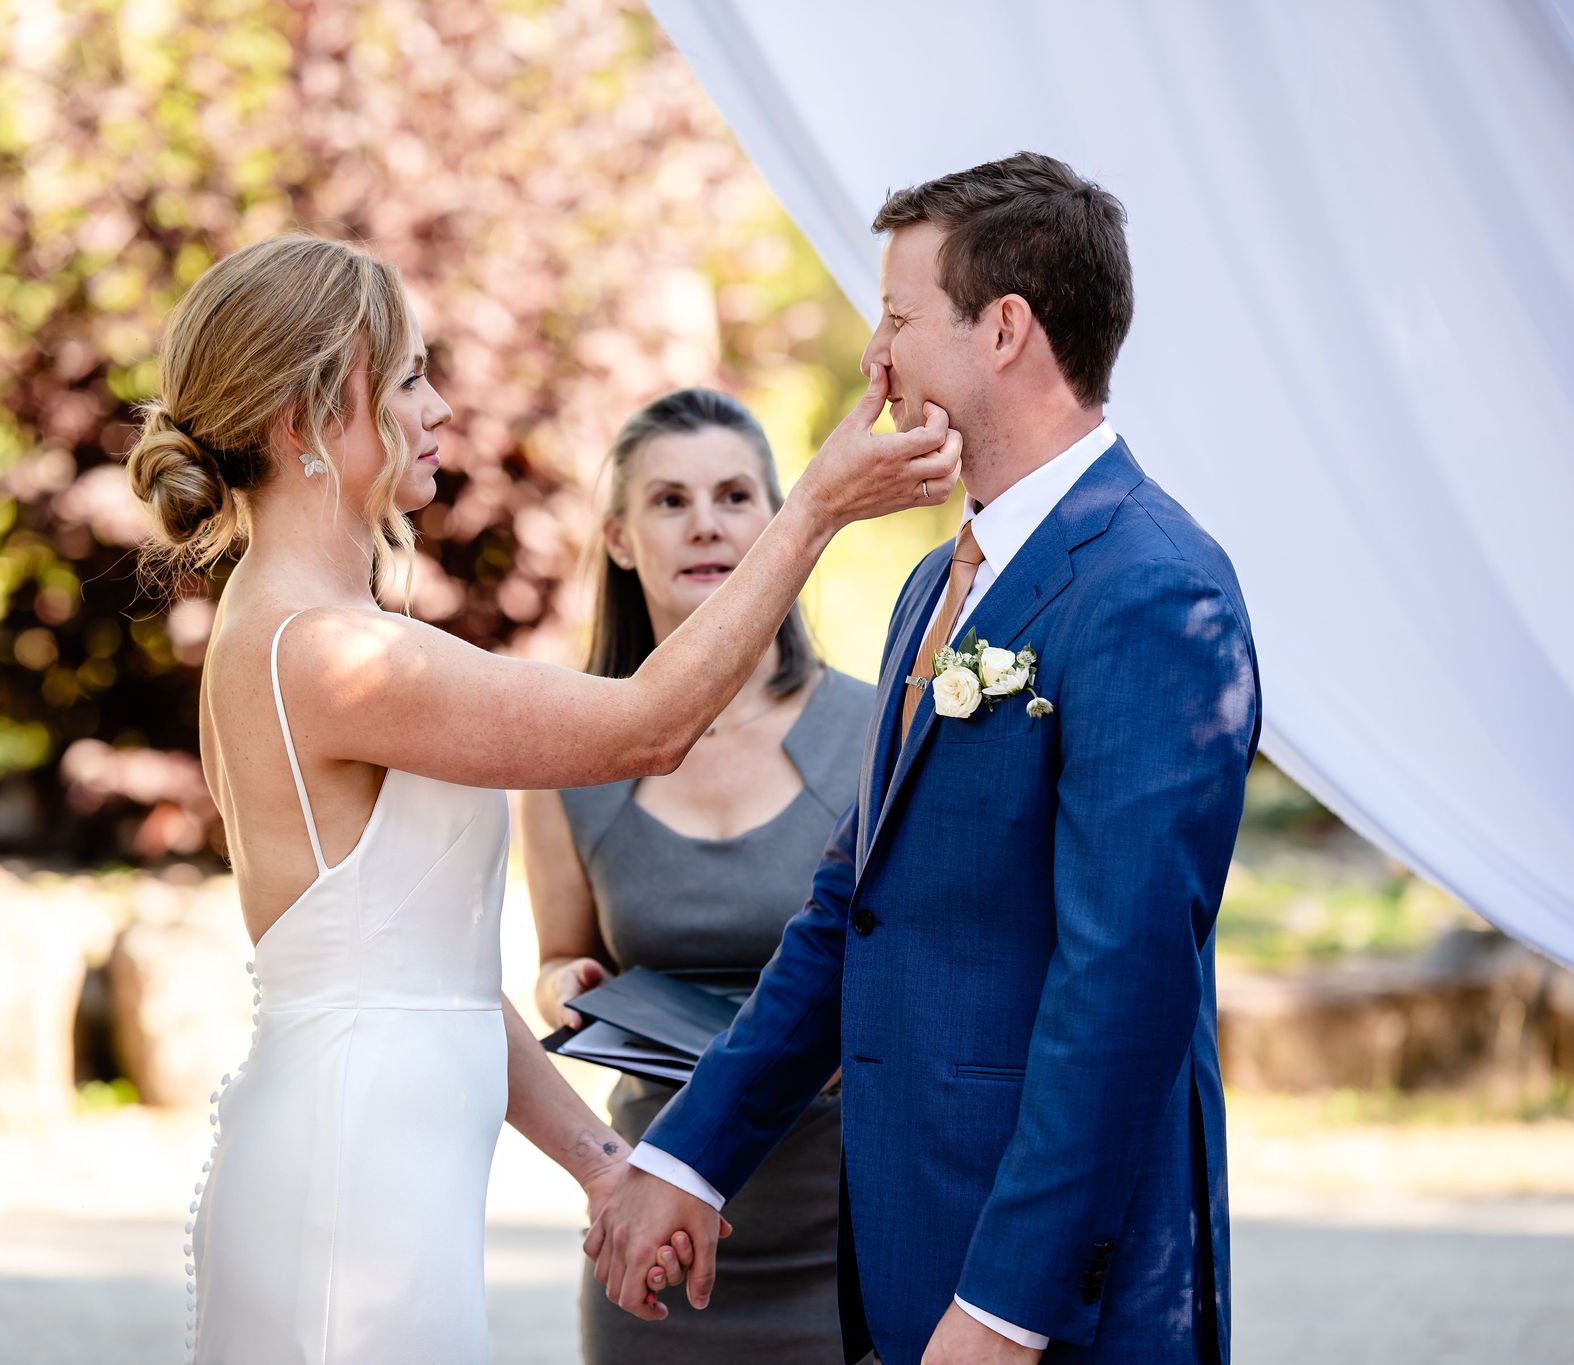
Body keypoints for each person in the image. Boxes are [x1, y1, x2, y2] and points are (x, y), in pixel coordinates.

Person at [122, 233, 959, 1365]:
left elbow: (441, 978)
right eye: (410, 378)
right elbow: (646, 726)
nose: (438, 409)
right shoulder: (320, 651)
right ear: (306, 417)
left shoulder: (323, 637)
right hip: (349, 1185)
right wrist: (807, 510)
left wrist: (607, 1166)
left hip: (384, 1172)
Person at [588, 153, 1261, 1365]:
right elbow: (856, 909)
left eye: (895, 318)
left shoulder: (1151, 589)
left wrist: (1009, 1308)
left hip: (1052, 1297)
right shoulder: (925, 588)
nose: (873, 359)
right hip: (907, 1252)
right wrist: (688, 1155)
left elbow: (1123, 984)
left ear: (1002, 329)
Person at [526, 388, 872, 1362]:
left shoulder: (876, 729)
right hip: (654, 1223)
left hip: (844, 1229)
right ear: (620, 539)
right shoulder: (567, 755)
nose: (706, 523)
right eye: (669, 501)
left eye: (734, 495)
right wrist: (567, 988)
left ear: (777, 522)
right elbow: (558, 957)